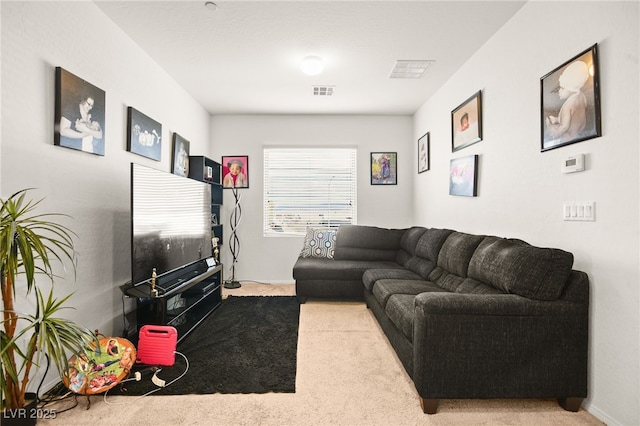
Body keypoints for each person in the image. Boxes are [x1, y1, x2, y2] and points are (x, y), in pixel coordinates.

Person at [545, 60, 589, 144]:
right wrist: (557, 119)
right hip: (580, 129)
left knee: (554, 129)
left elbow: (565, 126)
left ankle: (551, 129)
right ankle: (555, 121)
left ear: (570, 88)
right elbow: (572, 117)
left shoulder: (567, 107)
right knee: (560, 123)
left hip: (569, 136)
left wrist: (557, 133)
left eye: (562, 88)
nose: (559, 91)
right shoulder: (582, 96)